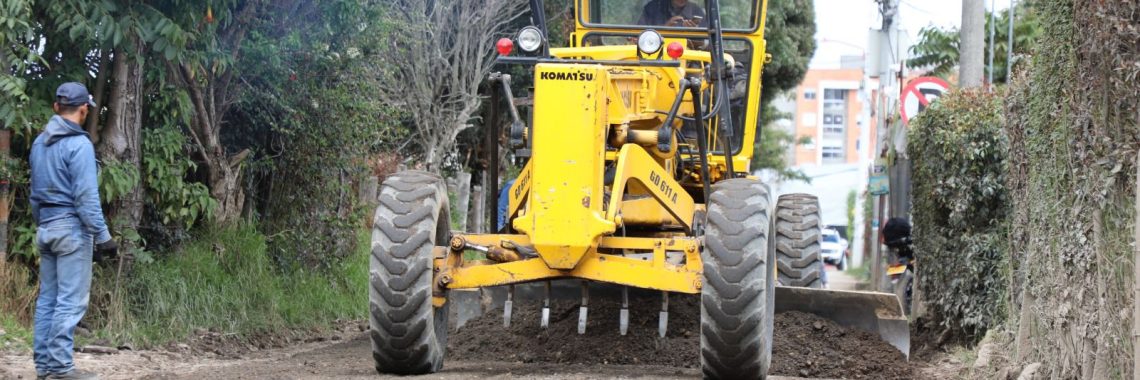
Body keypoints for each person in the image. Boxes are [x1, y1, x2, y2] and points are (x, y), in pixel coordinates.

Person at [29, 82, 118, 380]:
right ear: (83, 110)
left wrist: (42, 224)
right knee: (69, 301)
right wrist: (104, 238)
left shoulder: (39, 144)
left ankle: (44, 366)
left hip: (45, 228)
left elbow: (34, 195)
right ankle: (61, 369)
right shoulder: (79, 145)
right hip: (71, 231)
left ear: (56, 107)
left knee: (48, 300)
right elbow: (86, 198)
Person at [637, 0, 706, 27]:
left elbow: (708, 42)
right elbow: (639, 35)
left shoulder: (696, 10)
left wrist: (692, 33)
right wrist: (665, 28)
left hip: (689, 55)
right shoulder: (652, 8)